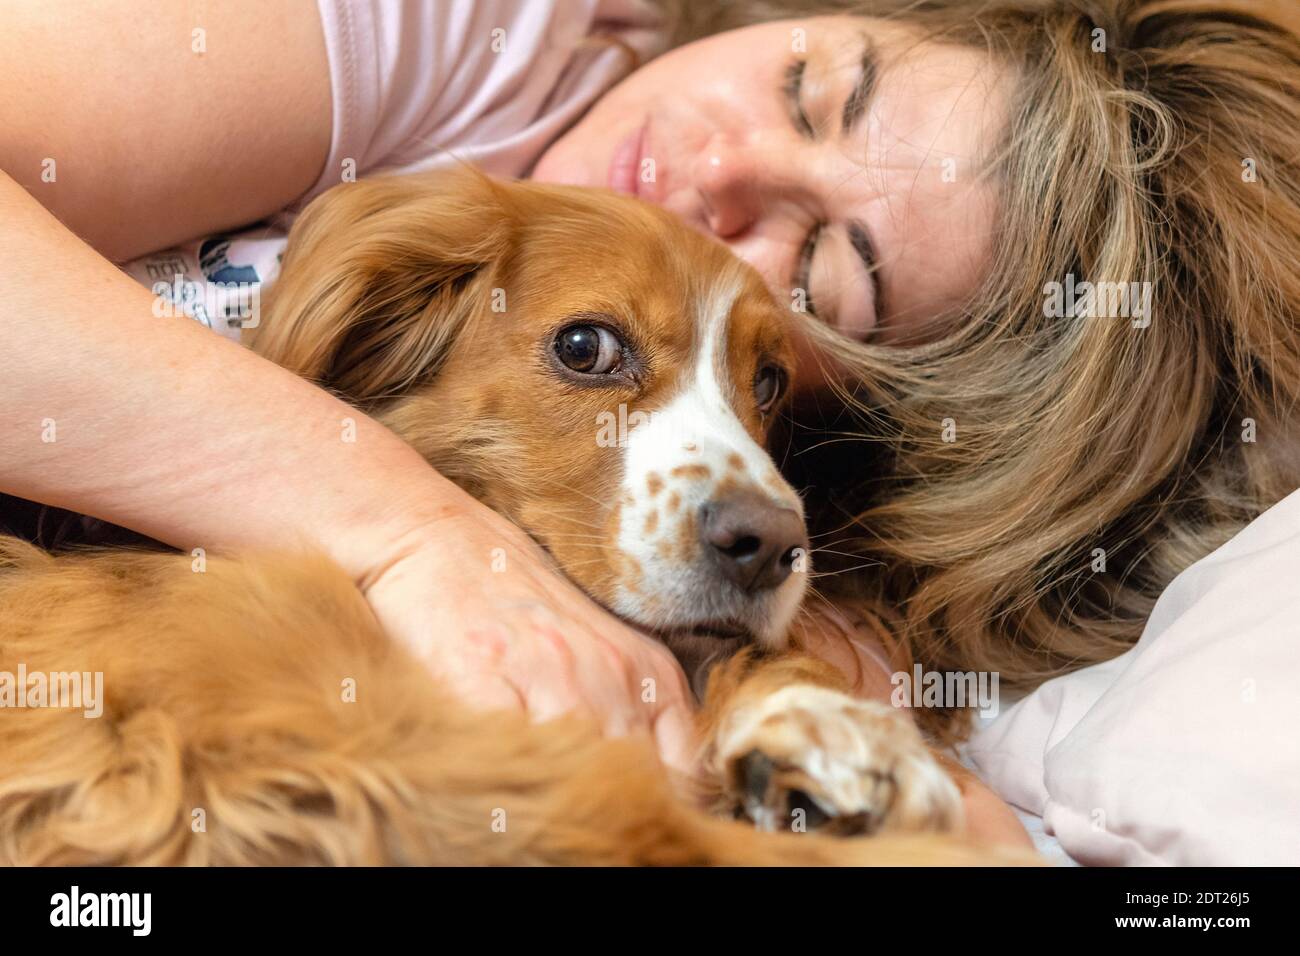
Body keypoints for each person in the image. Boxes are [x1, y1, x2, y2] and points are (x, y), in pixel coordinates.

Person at [1, 1, 1296, 842]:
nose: (716, 177)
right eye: (809, 90)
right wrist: (406, 532)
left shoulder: (783, 575)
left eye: (823, 277)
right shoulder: (477, 35)